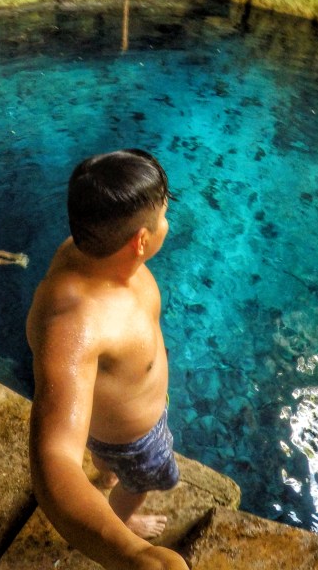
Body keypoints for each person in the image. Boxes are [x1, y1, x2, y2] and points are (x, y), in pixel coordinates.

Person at [26, 149, 188, 570]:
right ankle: (124, 516)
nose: (168, 224)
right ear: (141, 241)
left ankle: (106, 470)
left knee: (104, 460)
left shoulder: (83, 250)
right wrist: (131, 554)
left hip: (108, 426)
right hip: (137, 442)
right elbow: (54, 459)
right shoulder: (77, 323)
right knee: (141, 479)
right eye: (164, 216)